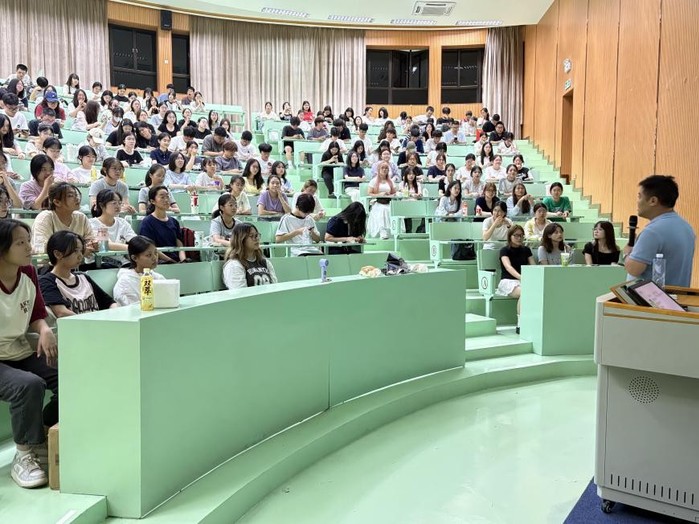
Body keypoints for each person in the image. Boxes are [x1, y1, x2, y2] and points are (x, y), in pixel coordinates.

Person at [0, 219, 58, 489]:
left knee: (72, 375)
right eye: (20, 243)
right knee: (28, 385)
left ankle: (43, 434)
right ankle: (24, 454)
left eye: (28, 240)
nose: (29, 247)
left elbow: (36, 313)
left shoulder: (29, 273)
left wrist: (44, 328)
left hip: (19, 350)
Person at [624, 175, 695, 286]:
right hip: (678, 295)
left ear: (653, 201)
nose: (637, 202)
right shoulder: (687, 227)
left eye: (640, 197)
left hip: (653, 296)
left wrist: (627, 253)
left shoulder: (652, 232)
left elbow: (633, 269)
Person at [39, 231, 117, 318]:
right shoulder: (46, 281)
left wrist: (115, 313)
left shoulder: (83, 277)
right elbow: (61, 312)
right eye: (75, 251)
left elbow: (110, 303)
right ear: (57, 254)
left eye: (81, 251)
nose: (80, 256)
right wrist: (92, 322)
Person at [31, 183, 95, 256]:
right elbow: (42, 247)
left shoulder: (81, 217)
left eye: (76, 195)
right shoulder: (45, 217)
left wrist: (92, 244)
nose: (77, 198)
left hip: (77, 262)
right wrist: (80, 249)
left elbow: (90, 240)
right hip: (50, 262)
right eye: (70, 196)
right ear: (57, 202)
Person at [497, 224, 535, 334]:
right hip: (508, 281)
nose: (519, 238)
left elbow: (533, 265)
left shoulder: (526, 250)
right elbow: (508, 267)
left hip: (524, 281)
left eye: (521, 235)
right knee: (525, 292)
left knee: (532, 291)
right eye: (516, 235)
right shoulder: (504, 250)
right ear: (510, 236)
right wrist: (521, 277)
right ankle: (520, 324)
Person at [89, 189, 137, 267]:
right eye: (114, 203)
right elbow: (106, 245)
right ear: (101, 205)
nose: (118, 206)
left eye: (120, 203)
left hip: (122, 263)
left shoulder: (122, 222)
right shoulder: (92, 223)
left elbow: (135, 241)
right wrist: (133, 248)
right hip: (99, 263)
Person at [113, 235, 166, 306]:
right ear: (134, 258)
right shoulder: (125, 282)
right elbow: (130, 309)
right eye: (149, 255)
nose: (154, 258)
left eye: (156, 253)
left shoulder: (159, 278)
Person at [138, 185, 187, 263]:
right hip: (158, 261)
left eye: (167, 196)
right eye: (162, 197)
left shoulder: (174, 222)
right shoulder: (147, 222)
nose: (166, 200)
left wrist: (183, 261)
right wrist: (170, 261)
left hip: (176, 261)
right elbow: (150, 248)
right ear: (152, 201)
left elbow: (180, 247)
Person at [223, 223, 277, 288]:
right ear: (241, 240)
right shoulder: (234, 265)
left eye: (256, 235)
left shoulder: (265, 262)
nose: (257, 239)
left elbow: (274, 286)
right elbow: (239, 292)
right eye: (252, 236)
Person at [367, 161, 396, 239]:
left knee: (391, 210)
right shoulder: (373, 181)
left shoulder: (391, 181)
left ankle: (394, 232)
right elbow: (369, 193)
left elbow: (394, 193)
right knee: (383, 210)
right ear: (379, 169)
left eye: (386, 168)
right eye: (382, 168)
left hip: (388, 202)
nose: (384, 170)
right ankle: (382, 232)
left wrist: (389, 195)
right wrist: (379, 194)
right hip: (378, 202)